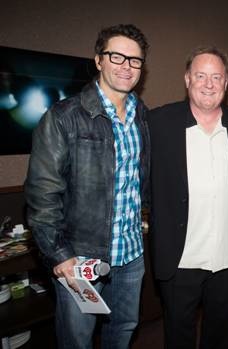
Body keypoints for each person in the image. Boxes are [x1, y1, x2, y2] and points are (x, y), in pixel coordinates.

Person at [25, 24, 150, 348]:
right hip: (80, 258)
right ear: (98, 60)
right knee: (77, 340)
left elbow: (138, 179)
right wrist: (60, 256)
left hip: (132, 255)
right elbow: (42, 196)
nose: (126, 66)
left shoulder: (144, 117)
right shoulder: (63, 117)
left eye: (135, 60)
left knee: (122, 332)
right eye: (117, 56)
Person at [148, 46, 228, 349]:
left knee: (220, 334)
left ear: (226, 82)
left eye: (216, 77)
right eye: (201, 76)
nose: (208, 84)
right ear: (187, 79)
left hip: (227, 260)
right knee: (178, 336)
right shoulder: (158, 124)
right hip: (180, 259)